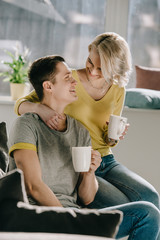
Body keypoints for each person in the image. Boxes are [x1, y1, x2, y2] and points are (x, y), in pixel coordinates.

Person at [9, 55, 160, 239]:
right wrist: (69, 219)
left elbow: (87, 198)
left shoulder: (80, 131)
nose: (75, 80)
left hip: (75, 215)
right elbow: (33, 185)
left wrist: (90, 172)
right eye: (67, 78)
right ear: (48, 86)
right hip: (41, 215)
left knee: (147, 212)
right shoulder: (27, 125)